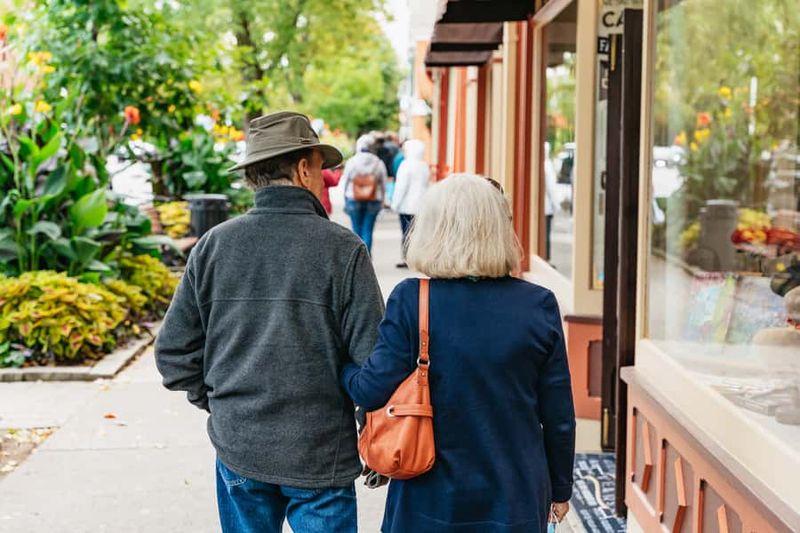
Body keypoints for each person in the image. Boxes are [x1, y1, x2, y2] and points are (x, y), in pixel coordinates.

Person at [154, 111, 385, 533]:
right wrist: (371, 426)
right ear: (302, 169)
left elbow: (172, 354)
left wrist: (219, 403)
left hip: (239, 445)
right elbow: (376, 363)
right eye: (319, 167)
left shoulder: (213, 246)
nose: (322, 177)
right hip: (321, 453)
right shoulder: (343, 250)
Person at [341, 173, 576, 532]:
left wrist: (341, 365)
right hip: (515, 495)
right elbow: (558, 415)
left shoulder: (411, 299)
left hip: (428, 496)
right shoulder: (538, 305)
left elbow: (369, 390)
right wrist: (560, 489)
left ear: (432, 229)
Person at [341, 134, 387, 253]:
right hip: (374, 199)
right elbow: (383, 183)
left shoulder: (352, 161)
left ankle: (357, 259)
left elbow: (345, 181)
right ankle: (366, 258)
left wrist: (344, 199)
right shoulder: (378, 162)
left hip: (353, 198)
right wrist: (382, 200)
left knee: (356, 230)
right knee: (368, 230)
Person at [391, 139, 430, 268]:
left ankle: (406, 258)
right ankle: (418, 257)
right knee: (418, 233)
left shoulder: (406, 165)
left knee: (406, 232)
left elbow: (401, 187)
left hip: (406, 205)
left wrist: (395, 204)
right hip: (422, 205)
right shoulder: (424, 165)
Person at [544, 142, 559, 261]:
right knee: (546, 234)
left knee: (544, 233)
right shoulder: (548, 166)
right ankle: (546, 256)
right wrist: (556, 205)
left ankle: (545, 256)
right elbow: (551, 188)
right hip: (547, 207)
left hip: (544, 206)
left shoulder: (542, 165)